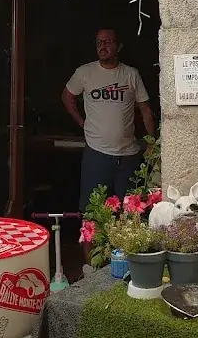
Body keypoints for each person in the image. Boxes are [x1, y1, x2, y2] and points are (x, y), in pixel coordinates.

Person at [62, 28, 156, 214]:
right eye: (99, 43)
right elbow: (67, 97)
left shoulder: (131, 74)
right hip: (97, 154)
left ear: (118, 46)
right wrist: (81, 122)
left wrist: (151, 142)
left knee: (131, 213)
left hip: (128, 155)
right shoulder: (85, 72)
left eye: (107, 42)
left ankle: (124, 245)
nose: (102, 46)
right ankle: (90, 245)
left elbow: (145, 109)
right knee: (92, 212)